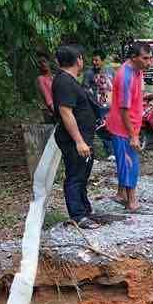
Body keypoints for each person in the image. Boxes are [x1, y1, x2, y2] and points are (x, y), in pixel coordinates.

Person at [51, 45, 98, 229]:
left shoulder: (69, 80)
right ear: (78, 59)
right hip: (73, 140)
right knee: (75, 176)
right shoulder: (64, 82)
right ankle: (78, 215)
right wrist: (78, 141)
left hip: (82, 138)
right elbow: (66, 112)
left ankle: (84, 209)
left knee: (82, 174)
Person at [105, 42, 152, 213]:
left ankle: (121, 194)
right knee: (130, 163)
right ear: (134, 57)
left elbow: (132, 97)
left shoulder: (137, 71)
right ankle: (132, 202)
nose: (149, 62)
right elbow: (124, 109)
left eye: (150, 58)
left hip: (129, 125)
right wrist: (133, 136)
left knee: (124, 161)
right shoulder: (126, 75)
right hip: (123, 128)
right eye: (145, 58)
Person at [83, 53, 115, 160]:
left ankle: (112, 152)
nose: (94, 62)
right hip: (96, 106)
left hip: (110, 104)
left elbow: (115, 85)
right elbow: (85, 89)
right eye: (93, 60)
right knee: (99, 128)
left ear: (102, 60)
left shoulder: (110, 70)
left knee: (110, 127)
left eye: (97, 60)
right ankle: (95, 155)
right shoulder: (89, 73)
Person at [36, 56, 55, 123]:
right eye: (40, 63)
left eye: (44, 61)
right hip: (49, 110)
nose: (43, 64)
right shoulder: (41, 79)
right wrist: (54, 110)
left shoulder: (53, 77)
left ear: (48, 63)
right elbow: (47, 97)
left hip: (58, 108)